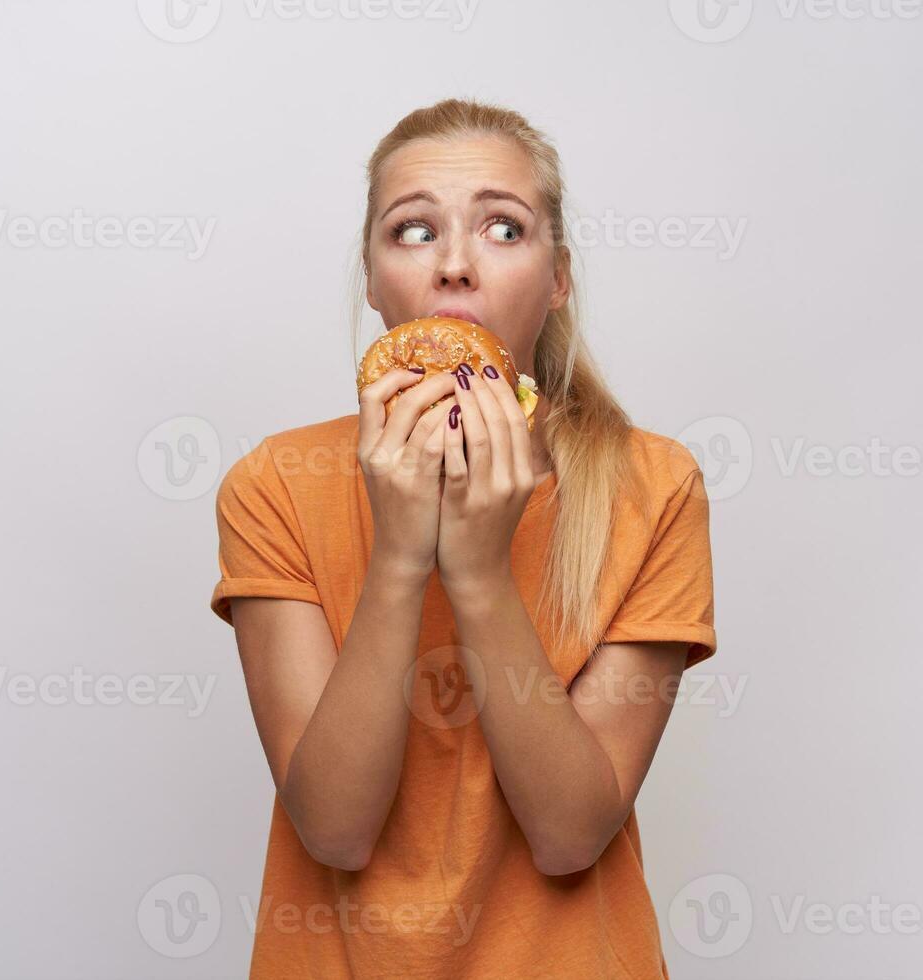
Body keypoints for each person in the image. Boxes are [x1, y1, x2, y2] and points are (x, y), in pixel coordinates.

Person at [210, 97, 718, 980]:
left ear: (558, 277)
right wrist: (404, 556)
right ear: (371, 281)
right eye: (412, 232)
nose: (453, 267)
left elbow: (569, 835)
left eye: (503, 229)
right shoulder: (278, 486)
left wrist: (479, 574)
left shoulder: (653, 486)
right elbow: (335, 827)